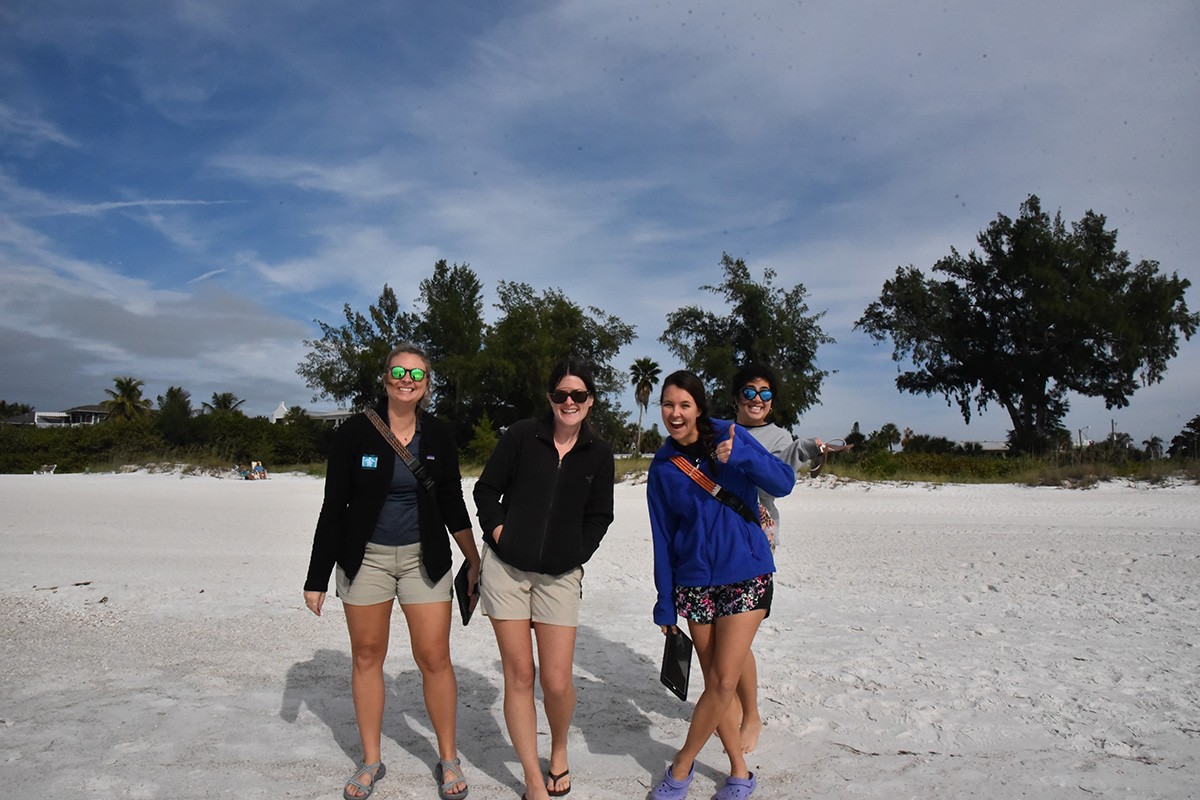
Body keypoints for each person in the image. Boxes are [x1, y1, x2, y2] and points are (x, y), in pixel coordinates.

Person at [304, 343, 481, 800]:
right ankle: (370, 761)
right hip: (366, 559)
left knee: (434, 657)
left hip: (426, 558)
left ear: (427, 384)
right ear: (385, 378)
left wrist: (474, 559)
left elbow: (452, 499)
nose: (407, 380)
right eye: (399, 372)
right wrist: (316, 578)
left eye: (417, 374)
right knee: (366, 656)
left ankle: (448, 758)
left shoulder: (438, 434)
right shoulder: (353, 433)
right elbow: (333, 507)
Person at [647, 370, 794, 800]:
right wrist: (664, 602)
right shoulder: (662, 466)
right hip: (694, 582)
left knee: (724, 680)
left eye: (684, 405)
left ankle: (681, 765)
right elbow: (662, 538)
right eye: (668, 405)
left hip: (746, 572)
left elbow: (783, 483)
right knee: (716, 682)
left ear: (699, 408)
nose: (675, 413)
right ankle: (740, 771)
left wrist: (743, 457)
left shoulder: (732, 435)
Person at [473, 359, 615, 800]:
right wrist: (502, 534)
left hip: (560, 577)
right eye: (560, 394)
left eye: (578, 395)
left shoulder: (599, 454)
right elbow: (485, 491)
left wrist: (576, 552)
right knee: (520, 675)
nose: (569, 402)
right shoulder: (521, 435)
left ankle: (558, 749)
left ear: (590, 400)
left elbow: (600, 516)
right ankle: (534, 782)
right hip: (506, 571)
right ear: (550, 398)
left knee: (555, 681)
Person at [727, 363, 850, 753]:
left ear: (772, 401)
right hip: (717, 536)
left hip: (755, 536)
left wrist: (808, 448)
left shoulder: (779, 437)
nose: (757, 399)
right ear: (736, 398)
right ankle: (729, 705)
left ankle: (751, 715)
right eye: (749, 392)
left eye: (765, 393)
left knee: (737, 634)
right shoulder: (721, 431)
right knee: (717, 631)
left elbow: (782, 471)